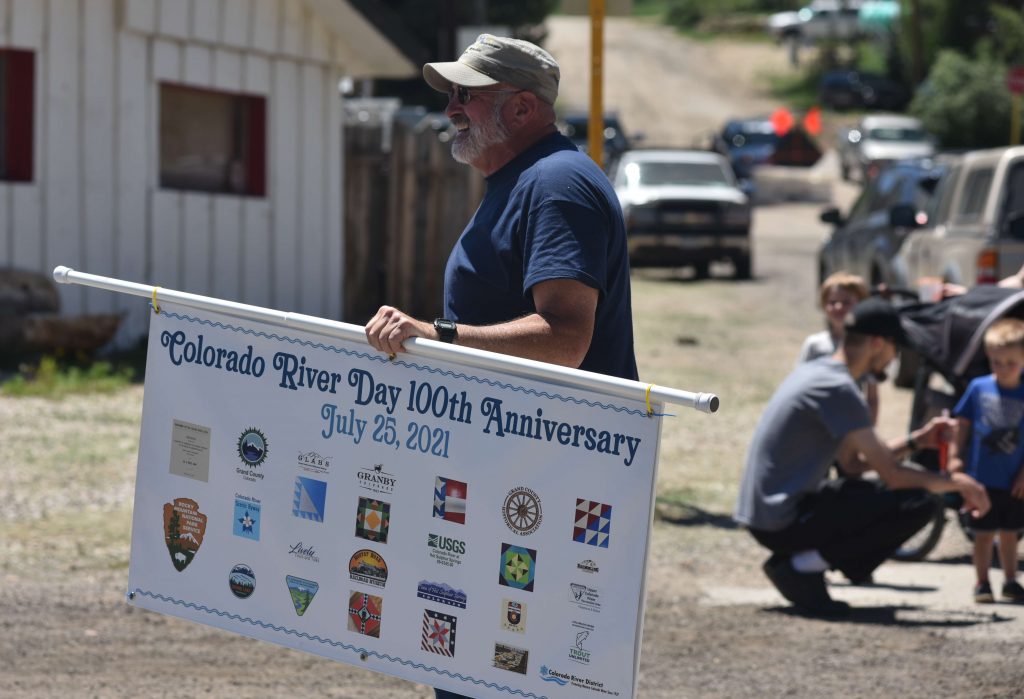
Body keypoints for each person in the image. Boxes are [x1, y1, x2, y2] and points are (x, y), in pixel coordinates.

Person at [364, 35, 637, 699]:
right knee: (472, 667)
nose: (451, 106)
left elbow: (567, 336)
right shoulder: (524, 180)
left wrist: (440, 336)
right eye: (451, 93)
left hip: (546, 482)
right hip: (513, 473)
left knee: (507, 673)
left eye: (467, 93)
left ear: (521, 109)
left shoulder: (556, 185)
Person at [735, 297, 990, 617]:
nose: (896, 357)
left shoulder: (821, 373)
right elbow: (892, 476)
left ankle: (801, 564)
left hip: (769, 513)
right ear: (877, 343)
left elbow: (852, 464)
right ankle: (799, 567)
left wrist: (917, 440)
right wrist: (957, 484)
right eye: (896, 348)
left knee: (881, 493)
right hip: (780, 520)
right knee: (918, 501)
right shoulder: (838, 388)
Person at [947, 318, 1024, 604]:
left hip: (1014, 479)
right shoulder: (978, 388)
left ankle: (1011, 579)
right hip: (981, 478)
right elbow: (962, 424)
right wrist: (955, 456)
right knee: (982, 533)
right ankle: (981, 582)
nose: (1003, 368)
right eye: (996, 362)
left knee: (1010, 534)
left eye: (1011, 362)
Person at [798, 271, 878, 425]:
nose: (839, 307)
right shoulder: (814, 345)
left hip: (851, 423)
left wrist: (869, 431)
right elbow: (800, 388)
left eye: (847, 302)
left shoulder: (867, 347)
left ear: (861, 304)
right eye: (832, 302)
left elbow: (872, 398)